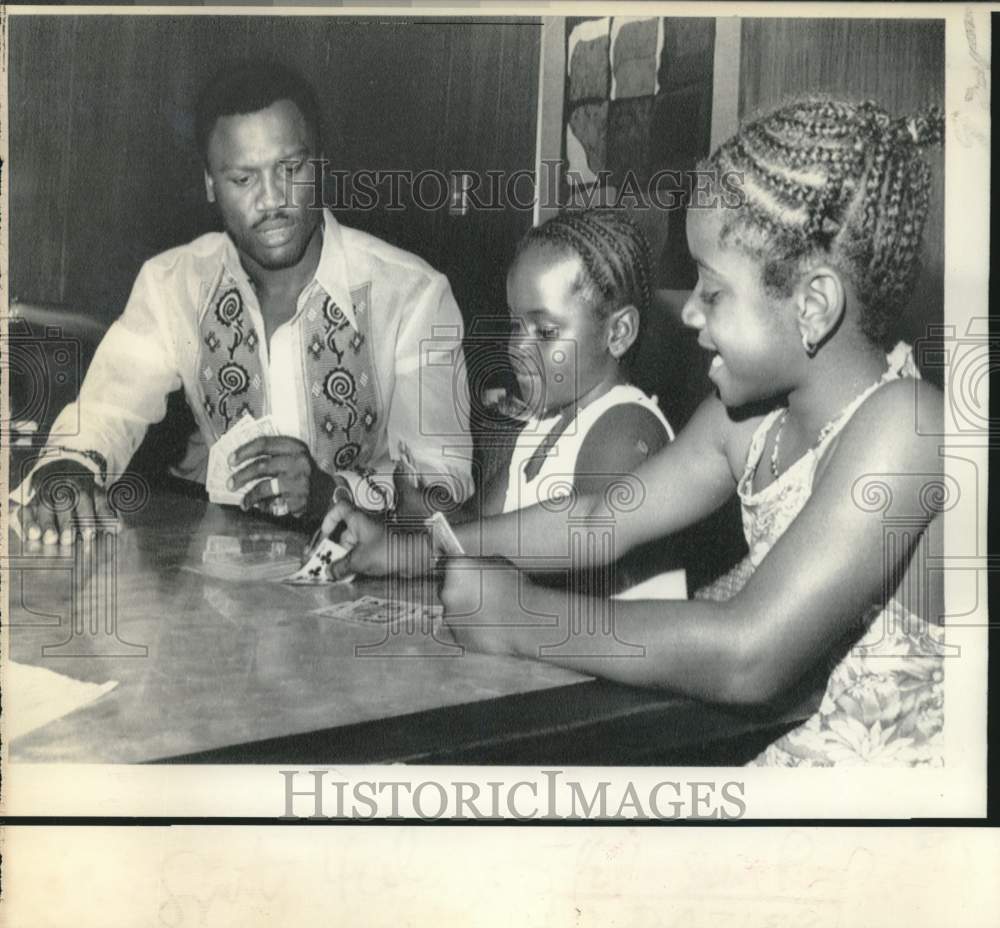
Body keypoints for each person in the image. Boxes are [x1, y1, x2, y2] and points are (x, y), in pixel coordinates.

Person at [328, 98, 948, 767]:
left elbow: (749, 653)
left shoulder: (907, 427)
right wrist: (407, 549)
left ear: (814, 305)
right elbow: (598, 516)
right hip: (789, 760)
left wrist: (522, 619)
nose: (689, 314)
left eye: (713, 292)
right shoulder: (752, 415)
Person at [15, 59, 472, 545]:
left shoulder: (412, 294)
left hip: (371, 585)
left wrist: (333, 494)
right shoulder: (175, 283)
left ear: (320, 163)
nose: (272, 200)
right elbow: (106, 413)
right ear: (211, 184)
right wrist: (66, 471)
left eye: (290, 168)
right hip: (219, 589)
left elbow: (445, 493)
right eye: (243, 179)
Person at [481, 208, 673, 518]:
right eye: (515, 324)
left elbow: (580, 551)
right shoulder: (545, 423)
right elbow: (481, 527)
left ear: (618, 332)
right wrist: (422, 511)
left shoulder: (624, 431)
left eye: (545, 331)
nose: (517, 345)